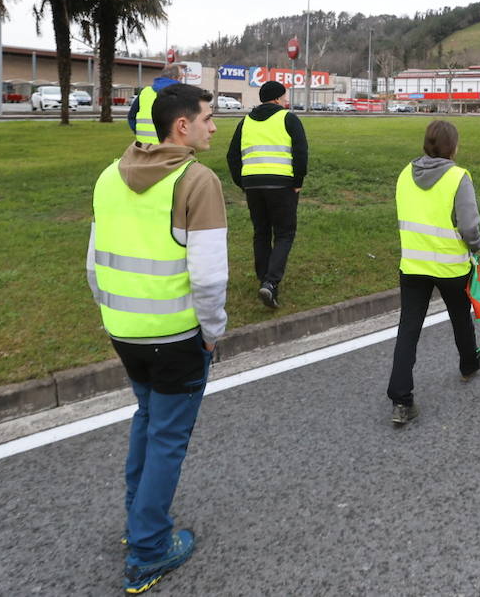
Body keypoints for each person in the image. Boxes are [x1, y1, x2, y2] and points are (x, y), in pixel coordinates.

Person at [88, 83, 227, 594]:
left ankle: (136, 523)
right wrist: (212, 333)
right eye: (208, 118)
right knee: (167, 438)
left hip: (124, 330)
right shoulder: (197, 181)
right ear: (182, 126)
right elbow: (210, 279)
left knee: (147, 421)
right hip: (175, 335)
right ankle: (149, 549)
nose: (215, 126)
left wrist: (115, 315)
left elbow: (93, 264)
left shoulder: (108, 176)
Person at [387, 120, 480, 426]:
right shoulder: (459, 177)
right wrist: (477, 246)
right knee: (460, 316)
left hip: (413, 265)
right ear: (452, 147)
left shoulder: (405, 174)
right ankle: (469, 363)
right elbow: (469, 226)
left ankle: (401, 400)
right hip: (450, 266)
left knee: (408, 329)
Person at [225, 80, 308, 308]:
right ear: (278, 98)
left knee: (261, 233)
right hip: (283, 185)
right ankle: (271, 283)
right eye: (284, 97)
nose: (286, 101)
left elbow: (232, 156)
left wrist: (243, 183)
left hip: (253, 185)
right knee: (284, 233)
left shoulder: (246, 121)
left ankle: (264, 279)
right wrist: (298, 181)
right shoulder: (288, 118)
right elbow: (301, 152)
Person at [127, 63, 185, 144]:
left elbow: (131, 116)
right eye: (181, 78)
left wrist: (138, 131)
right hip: (169, 146)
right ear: (176, 78)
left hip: (144, 145)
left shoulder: (145, 92)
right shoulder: (181, 94)